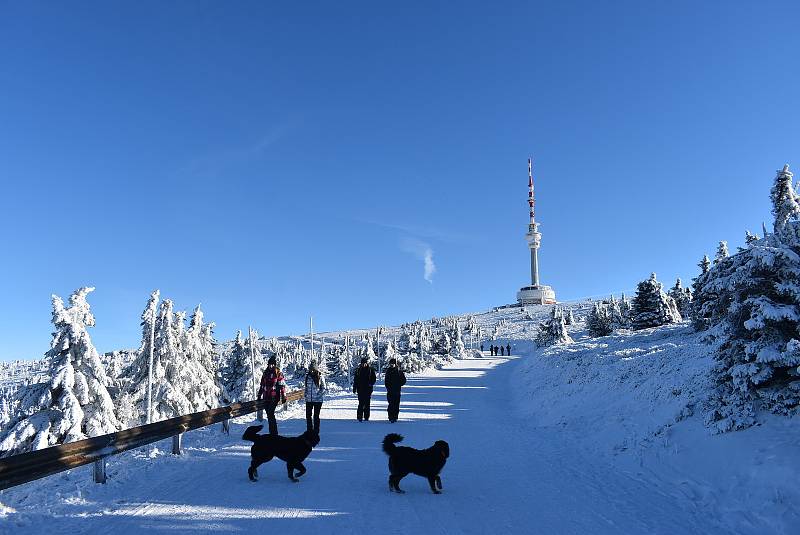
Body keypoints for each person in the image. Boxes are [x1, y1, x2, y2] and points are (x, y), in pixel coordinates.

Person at [257, 356, 286, 435]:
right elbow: (262, 385)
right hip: (266, 396)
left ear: (275, 365)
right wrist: (259, 394)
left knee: (270, 413)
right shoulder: (265, 373)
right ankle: (272, 432)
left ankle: (274, 433)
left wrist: (283, 396)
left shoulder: (278, 373)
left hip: (274, 397)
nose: (271, 366)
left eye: (272, 364)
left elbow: (282, 385)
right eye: (270, 364)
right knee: (269, 415)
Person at [304, 360, 326, 434]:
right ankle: (309, 431)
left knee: (316, 417)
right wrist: (305, 394)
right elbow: (306, 387)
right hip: (309, 400)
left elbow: (324, 388)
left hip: (318, 400)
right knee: (308, 416)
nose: (312, 371)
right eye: (311, 369)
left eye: (313, 369)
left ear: (316, 369)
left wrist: (318, 395)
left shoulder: (320, 376)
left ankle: (316, 432)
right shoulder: (307, 376)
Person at [352, 357, 376, 422]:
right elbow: (355, 380)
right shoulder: (358, 370)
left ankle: (366, 417)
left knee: (367, 404)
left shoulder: (370, 370)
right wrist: (354, 388)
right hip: (360, 389)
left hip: (368, 389)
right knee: (361, 403)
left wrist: (371, 384)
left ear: (366, 363)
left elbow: (374, 379)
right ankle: (359, 417)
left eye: (365, 363)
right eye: (362, 363)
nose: (363, 364)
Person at [383, 358, 406, 423]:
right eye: (391, 364)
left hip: (397, 391)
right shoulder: (388, 371)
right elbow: (386, 381)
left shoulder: (399, 371)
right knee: (391, 404)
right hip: (390, 391)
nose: (392, 365)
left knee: (396, 404)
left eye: (393, 363)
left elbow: (404, 380)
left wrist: (399, 384)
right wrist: (388, 387)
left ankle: (395, 417)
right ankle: (390, 417)